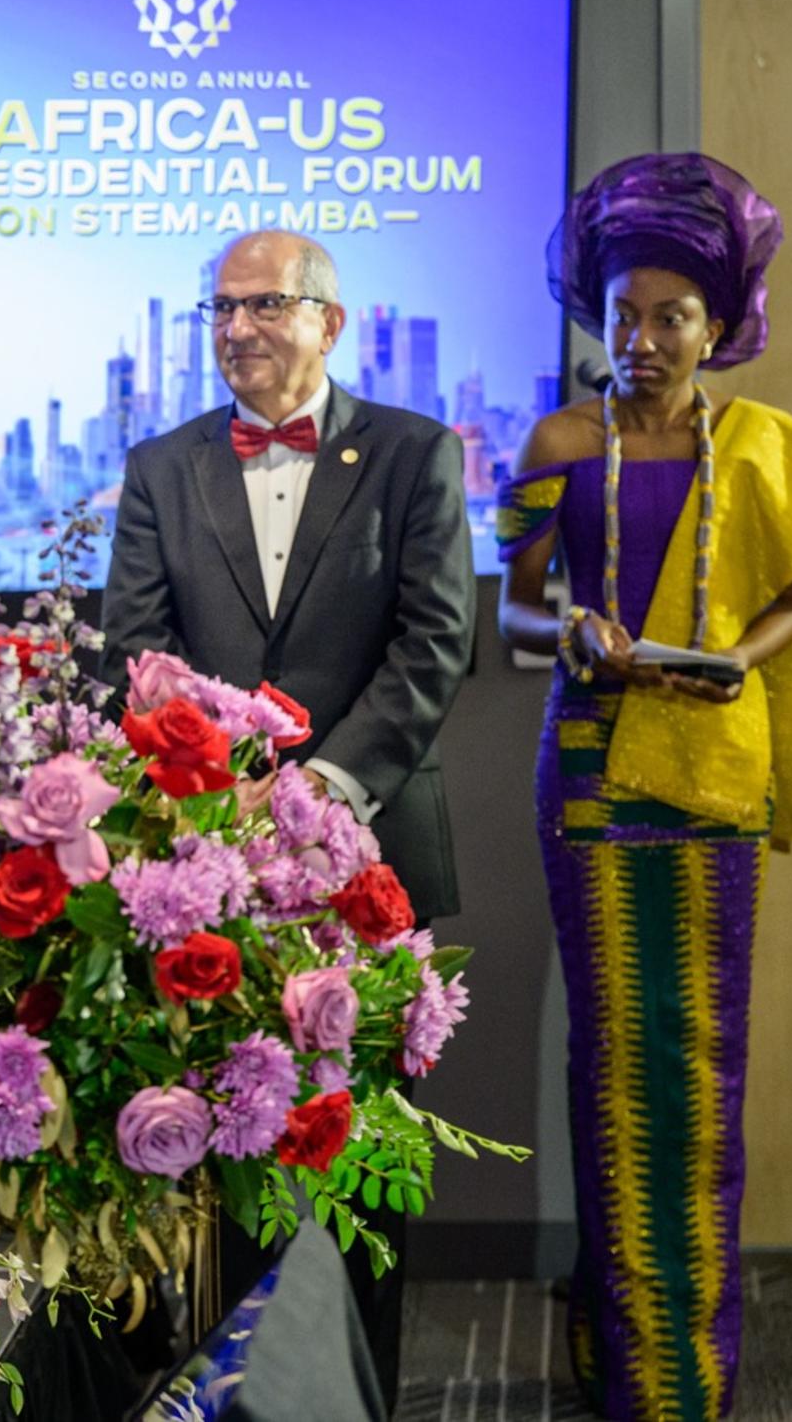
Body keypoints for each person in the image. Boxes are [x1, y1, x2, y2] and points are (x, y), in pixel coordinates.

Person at [498, 153, 792, 1422]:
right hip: (593, 771)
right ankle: (622, 1356)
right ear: (595, 317)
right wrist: (576, 632)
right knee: (614, 1056)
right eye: (624, 315)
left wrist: (729, 666)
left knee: (701, 1062)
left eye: (672, 317)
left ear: (721, 326)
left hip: (710, 768)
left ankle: (684, 1376)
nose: (644, 339)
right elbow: (516, 615)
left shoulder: (764, 447)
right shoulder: (559, 440)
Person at [97, 229, 476, 1404]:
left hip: (372, 865)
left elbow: (435, 644)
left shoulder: (413, 455)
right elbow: (135, 651)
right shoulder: (164, 466)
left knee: (362, 1174)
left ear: (329, 321)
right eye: (219, 310)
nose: (237, 330)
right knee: (211, 1160)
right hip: (202, 870)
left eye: (264, 306)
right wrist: (220, 784)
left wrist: (320, 785)